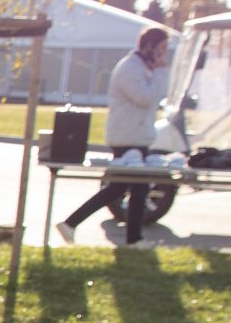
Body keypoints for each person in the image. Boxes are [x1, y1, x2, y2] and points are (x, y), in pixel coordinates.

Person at [57, 24, 171, 245]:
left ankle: (72, 224)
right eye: (162, 47)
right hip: (128, 138)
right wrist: (161, 72)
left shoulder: (141, 68)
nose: (164, 53)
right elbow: (146, 98)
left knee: (125, 187)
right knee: (135, 187)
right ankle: (131, 239)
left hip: (136, 136)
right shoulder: (131, 68)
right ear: (149, 47)